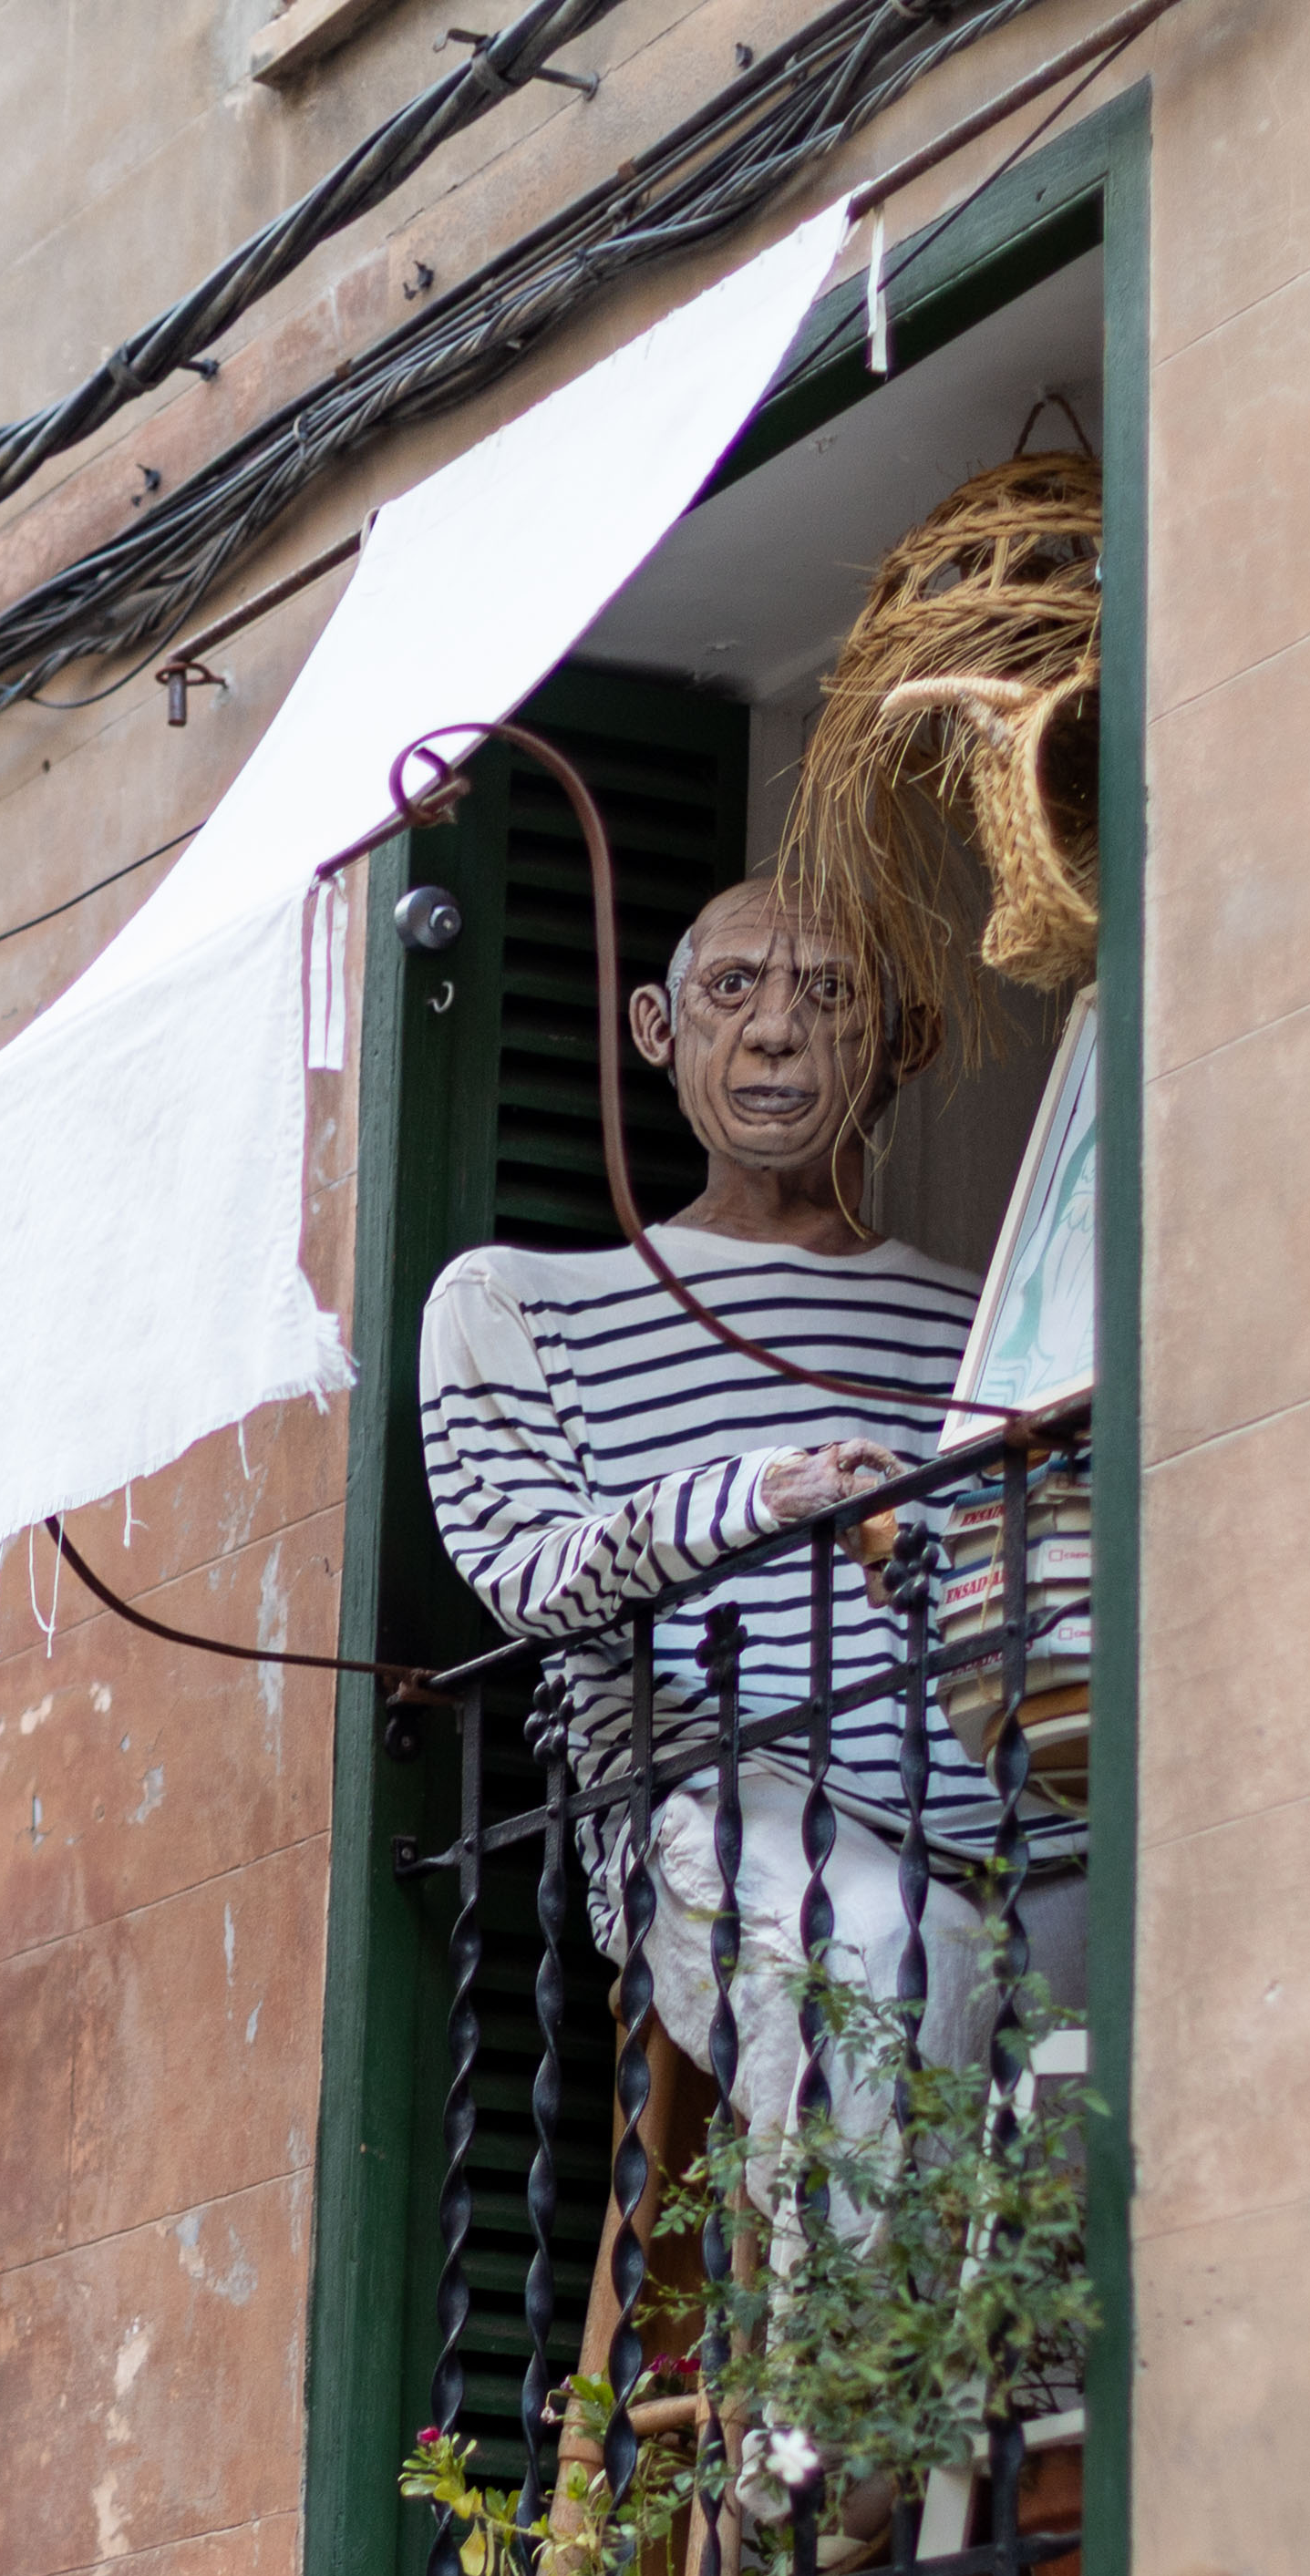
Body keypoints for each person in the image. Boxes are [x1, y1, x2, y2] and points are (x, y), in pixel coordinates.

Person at [416, 878, 1087, 2148]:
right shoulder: (515, 1301)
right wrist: (761, 1495)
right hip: (738, 1797)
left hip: (1019, 1818)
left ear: (908, 1042)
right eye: (733, 989)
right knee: (889, 1959)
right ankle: (860, 2295)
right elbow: (521, 1569)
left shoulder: (1001, 1324)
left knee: (1135, 2046)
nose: (776, 1030)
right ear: (656, 1028)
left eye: (829, 994)